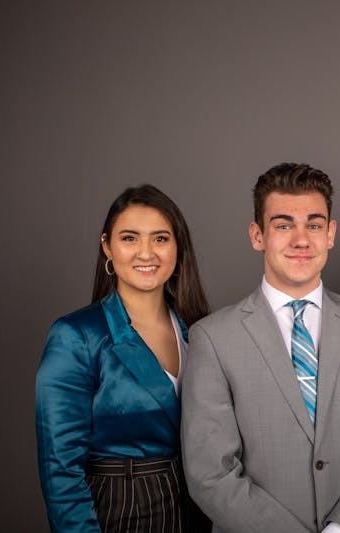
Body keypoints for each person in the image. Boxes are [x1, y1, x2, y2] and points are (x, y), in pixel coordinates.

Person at [180, 162, 340, 532]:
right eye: (284, 224)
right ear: (257, 235)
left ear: (331, 233)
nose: (301, 240)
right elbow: (210, 473)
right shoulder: (212, 338)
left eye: (314, 225)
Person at [36, 184, 211, 533]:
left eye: (161, 238)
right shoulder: (76, 335)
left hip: (197, 510)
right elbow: (60, 468)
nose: (146, 253)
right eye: (130, 238)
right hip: (119, 508)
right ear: (107, 247)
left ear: (179, 248)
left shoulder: (200, 329)